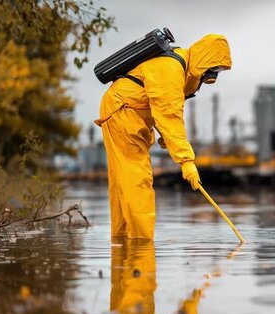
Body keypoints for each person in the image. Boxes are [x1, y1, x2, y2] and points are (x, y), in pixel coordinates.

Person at [95, 34, 232, 240]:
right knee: (137, 179)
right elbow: (170, 114)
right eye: (213, 68)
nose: (212, 75)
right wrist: (186, 161)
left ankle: (123, 240)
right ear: (203, 59)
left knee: (123, 181)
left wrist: (167, 138)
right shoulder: (170, 68)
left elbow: (160, 108)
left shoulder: (179, 68)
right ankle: (141, 242)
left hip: (125, 112)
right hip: (123, 113)